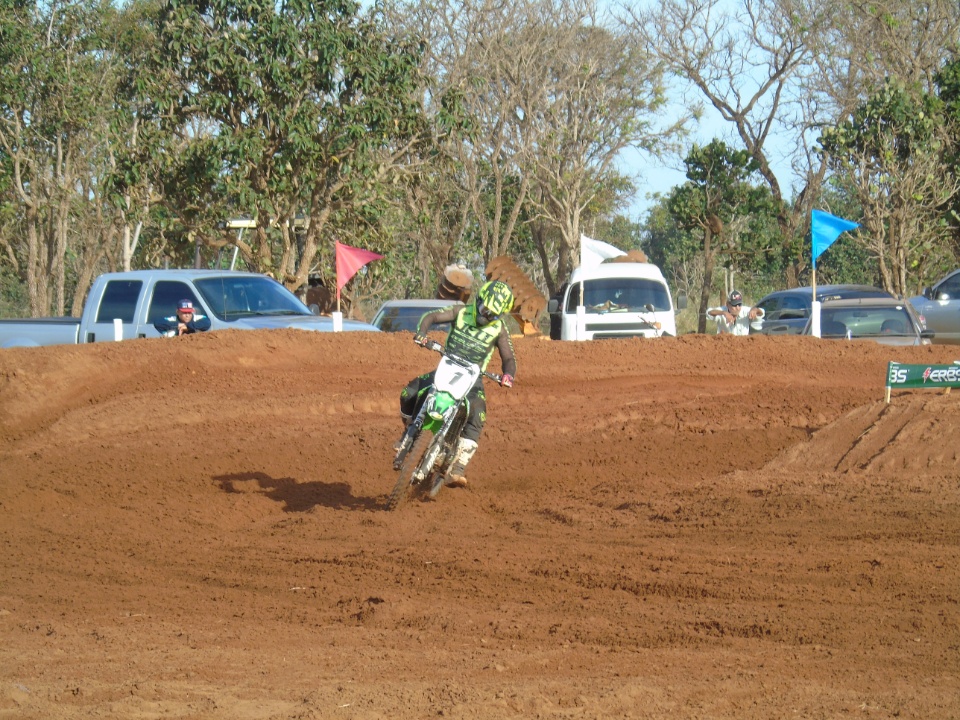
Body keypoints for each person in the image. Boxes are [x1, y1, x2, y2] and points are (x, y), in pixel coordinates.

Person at [398, 280, 517, 489]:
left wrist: (508, 375)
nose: (486, 316)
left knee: (478, 415)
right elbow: (432, 316)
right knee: (410, 392)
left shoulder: (499, 329)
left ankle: (458, 467)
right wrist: (422, 334)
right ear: (478, 300)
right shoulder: (461, 312)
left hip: (473, 377)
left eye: (493, 315)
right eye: (484, 310)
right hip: (448, 366)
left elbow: (508, 358)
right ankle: (409, 432)